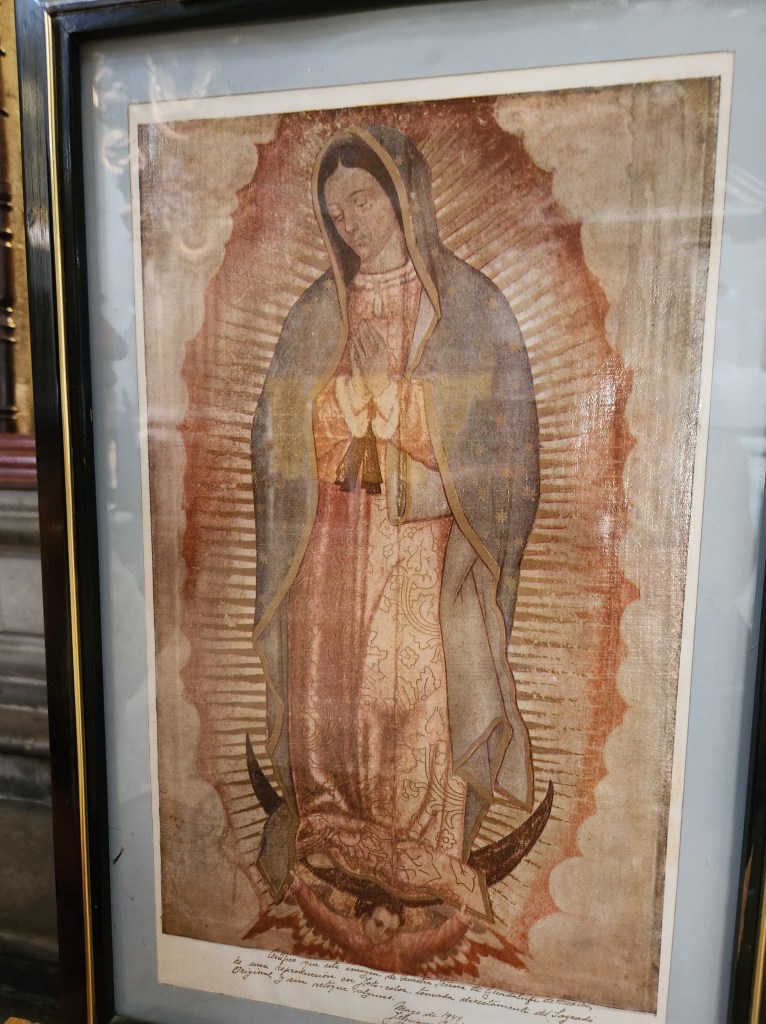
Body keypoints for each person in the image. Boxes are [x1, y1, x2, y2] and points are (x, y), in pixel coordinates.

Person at [251, 125, 540, 922]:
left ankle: (420, 845)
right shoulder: (316, 311)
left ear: (404, 195)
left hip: (422, 541)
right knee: (330, 688)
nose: (349, 222)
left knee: (408, 693)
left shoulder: (469, 306)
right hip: (332, 538)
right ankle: (330, 823)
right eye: (335, 210)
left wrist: (390, 399)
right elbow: (276, 433)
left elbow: (502, 444)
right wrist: (343, 409)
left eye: (362, 200)